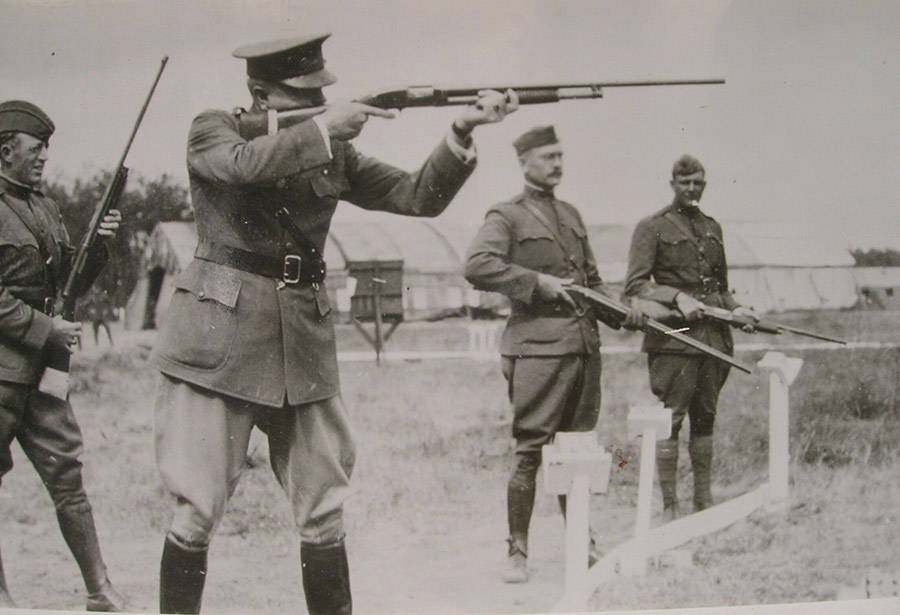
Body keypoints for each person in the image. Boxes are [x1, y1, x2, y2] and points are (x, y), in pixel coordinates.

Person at [150, 33, 517, 615]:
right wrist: (324, 131)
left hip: (302, 340)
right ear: (258, 90)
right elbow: (241, 167)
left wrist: (463, 131)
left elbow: (416, 196)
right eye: (302, 93)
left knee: (324, 511)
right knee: (196, 511)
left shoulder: (333, 151)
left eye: (321, 92)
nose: (319, 100)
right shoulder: (213, 127)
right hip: (220, 339)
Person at [464, 125, 641, 584]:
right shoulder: (506, 214)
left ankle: (581, 545)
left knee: (578, 449)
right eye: (548, 157)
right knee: (530, 452)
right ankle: (517, 553)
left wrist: (623, 313)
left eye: (561, 156)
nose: (557, 164)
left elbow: (593, 282)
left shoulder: (571, 214)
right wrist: (536, 283)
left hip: (583, 350)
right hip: (536, 353)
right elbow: (477, 265)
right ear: (524, 163)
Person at [0, 100, 125, 611]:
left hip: (45, 378)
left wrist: (97, 246)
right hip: (4, 375)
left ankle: (101, 591)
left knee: (68, 480)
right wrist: (46, 329)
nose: (45, 157)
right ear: (6, 150)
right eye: (36, 148)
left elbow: (69, 277)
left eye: (47, 148)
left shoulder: (44, 206)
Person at [624, 154, 758, 519]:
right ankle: (670, 506)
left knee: (706, 417)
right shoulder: (652, 226)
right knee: (671, 419)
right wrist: (675, 297)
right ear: (673, 184)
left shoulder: (713, 228)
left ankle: (704, 501)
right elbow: (635, 285)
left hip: (714, 337)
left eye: (698, 183)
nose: (692, 189)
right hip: (676, 337)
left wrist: (738, 309)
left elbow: (722, 287)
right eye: (685, 183)